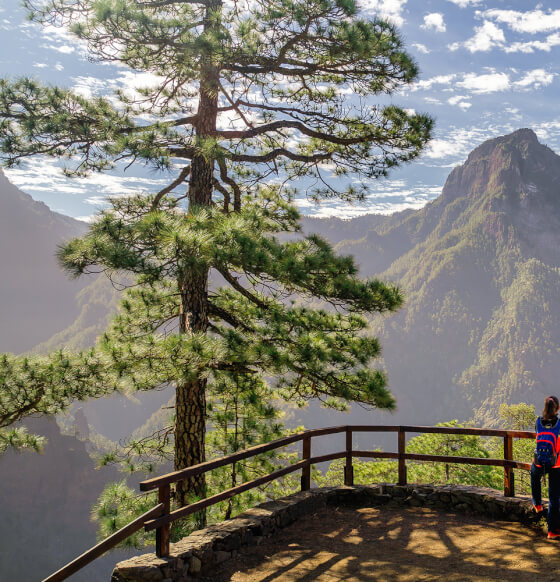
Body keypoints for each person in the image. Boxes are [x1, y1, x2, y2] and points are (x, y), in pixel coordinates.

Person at [531, 395, 560, 539]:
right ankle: (553, 531)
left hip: (539, 461)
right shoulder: (559, 424)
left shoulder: (538, 422)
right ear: (558, 409)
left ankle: (537, 504)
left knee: (534, 474)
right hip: (556, 464)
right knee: (554, 498)